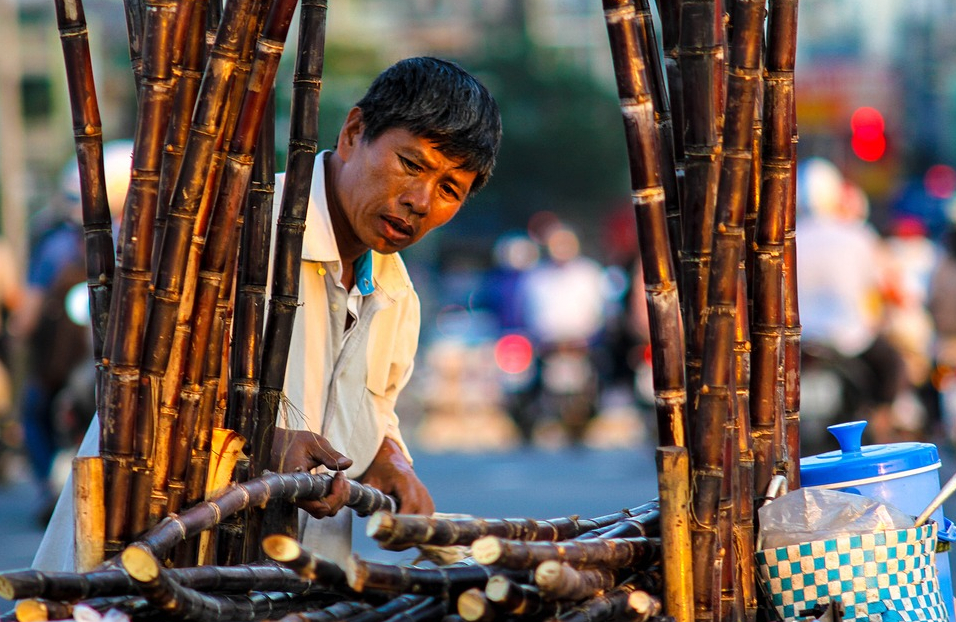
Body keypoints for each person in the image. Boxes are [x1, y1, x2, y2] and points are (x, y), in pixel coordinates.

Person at [32, 56, 502, 569]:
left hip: (290, 585)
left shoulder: (396, 295)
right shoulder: (230, 230)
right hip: (155, 566)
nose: (419, 200)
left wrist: (387, 458)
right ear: (353, 132)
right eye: (411, 165)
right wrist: (257, 446)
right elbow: (140, 397)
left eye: (448, 190)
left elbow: (372, 410)